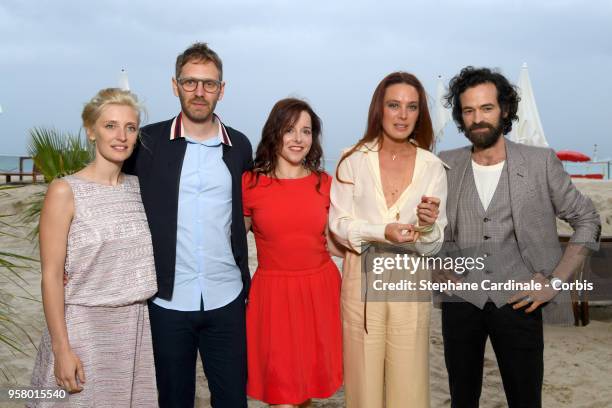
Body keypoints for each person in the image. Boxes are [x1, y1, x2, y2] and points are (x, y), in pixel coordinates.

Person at [438, 66, 601, 408]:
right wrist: (436, 268)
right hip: (460, 302)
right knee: (461, 400)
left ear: (506, 110)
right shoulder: (446, 163)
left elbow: (586, 219)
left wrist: (555, 281)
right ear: (460, 116)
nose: (477, 118)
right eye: (468, 110)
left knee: (525, 399)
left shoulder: (540, 162)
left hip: (520, 301)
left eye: (486, 108)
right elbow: (430, 229)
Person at [123, 42, 253, 407]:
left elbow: (248, 213)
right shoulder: (146, 142)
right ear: (175, 85)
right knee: (173, 399)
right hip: (166, 301)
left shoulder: (240, 146)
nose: (199, 92)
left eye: (209, 84)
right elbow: (112, 195)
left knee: (231, 400)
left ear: (222, 90)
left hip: (227, 298)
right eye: (190, 82)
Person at [29, 88, 158, 407]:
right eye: (110, 125)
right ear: (90, 130)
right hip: (82, 329)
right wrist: (62, 349)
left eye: (130, 127)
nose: (122, 136)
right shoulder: (65, 191)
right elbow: (51, 276)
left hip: (135, 329)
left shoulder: (140, 189)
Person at [329, 71, 448, 408]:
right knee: (363, 389)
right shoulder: (352, 160)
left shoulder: (433, 167)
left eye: (411, 107)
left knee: (409, 390)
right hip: (360, 288)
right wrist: (382, 232)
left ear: (420, 114)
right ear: (379, 109)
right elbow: (338, 223)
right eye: (394, 105)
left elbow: (434, 242)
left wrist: (427, 226)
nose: (402, 114)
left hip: (410, 287)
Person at [242, 98, 343, 407]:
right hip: (273, 297)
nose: (299, 139)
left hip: (320, 291)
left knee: (304, 391)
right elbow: (229, 243)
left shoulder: (326, 184)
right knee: (283, 393)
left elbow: (338, 243)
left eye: (307, 131)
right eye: (290, 130)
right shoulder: (251, 184)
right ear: (275, 133)